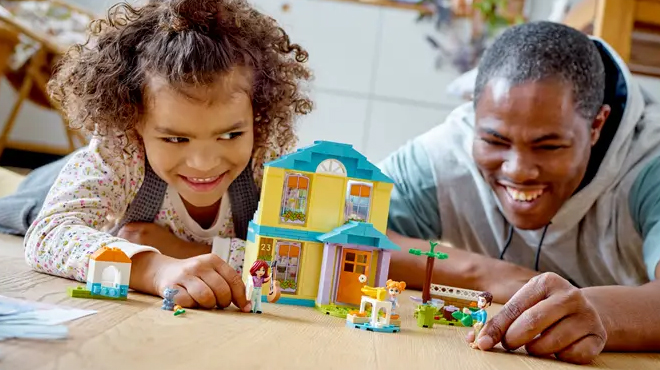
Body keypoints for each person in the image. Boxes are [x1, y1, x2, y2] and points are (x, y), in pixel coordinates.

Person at [380, 21, 660, 364]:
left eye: (549, 146)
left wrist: (596, 313)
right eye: (494, 141)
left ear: (596, 126)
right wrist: (490, 275)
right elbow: (337, 232)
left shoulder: (651, 163)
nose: (517, 170)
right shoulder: (445, 154)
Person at [21, 0, 312, 312]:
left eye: (230, 135)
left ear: (259, 114)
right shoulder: (120, 152)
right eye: (175, 138)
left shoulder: (267, 162)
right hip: (48, 190)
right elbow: (48, 233)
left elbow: (291, 263)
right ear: (134, 123)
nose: (204, 162)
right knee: (23, 206)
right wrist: (154, 268)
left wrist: (180, 250)